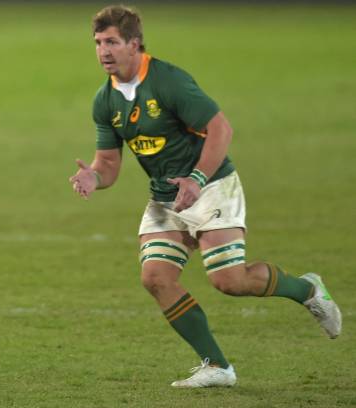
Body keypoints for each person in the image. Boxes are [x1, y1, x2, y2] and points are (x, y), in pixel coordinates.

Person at [70, 5, 342, 388]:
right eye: (98, 43)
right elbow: (109, 164)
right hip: (166, 196)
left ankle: (308, 289)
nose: (103, 51)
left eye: (111, 42)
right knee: (155, 277)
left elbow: (220, 129)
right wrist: (93, 177)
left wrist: (197, 178)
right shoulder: (106, 100)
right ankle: (217, 366)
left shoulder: (168, 81)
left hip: (211, 186)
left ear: (134, 44)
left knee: (230, 281)